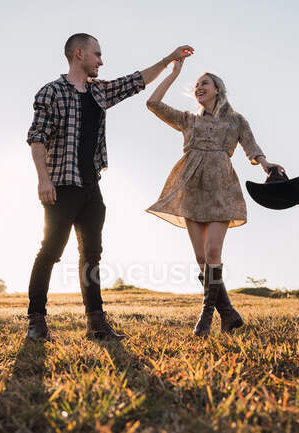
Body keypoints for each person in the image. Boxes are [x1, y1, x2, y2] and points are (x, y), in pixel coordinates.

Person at [26, 33, 194, 341]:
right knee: (50, 251)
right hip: (61, 186)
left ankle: (96, 324)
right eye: (97, 54)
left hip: (92, 188)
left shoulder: (99, 92)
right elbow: (37, 138)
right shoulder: (51, 92)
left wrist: (169, 59)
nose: (102, 61)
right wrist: (43, 179)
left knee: (91, 255)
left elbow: (135, 82)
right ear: (79, 54)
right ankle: (36, 322)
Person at [145, 58, 285, 336]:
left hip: (221, 188)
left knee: (213, 252)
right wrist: (174, 73)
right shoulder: (188, 119)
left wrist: (266, 164)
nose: (199, 87)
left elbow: (251, 147)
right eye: (196, 85)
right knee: (201, 258)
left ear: (217, 89)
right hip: (191, 187)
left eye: (204, 83)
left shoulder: (236, 120)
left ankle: (205, 317)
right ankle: (229, 314)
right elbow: (153, 103)